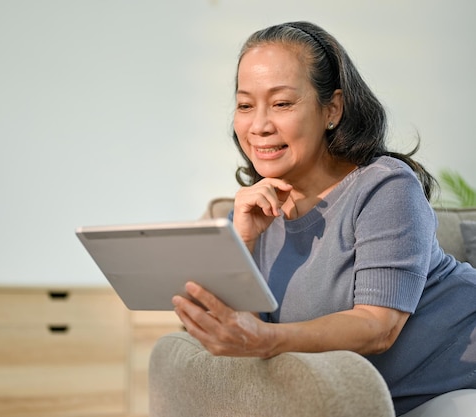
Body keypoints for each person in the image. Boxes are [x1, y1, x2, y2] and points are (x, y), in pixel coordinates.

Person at [171, 21, 476, 416]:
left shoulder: (384, 186)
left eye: (281, 103)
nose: (259, 125)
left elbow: (377, 326)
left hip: (457, 382)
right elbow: (239, 349)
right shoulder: (249, 214)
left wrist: (266, 339)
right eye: (245, 105)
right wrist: (242, 243)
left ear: (331, 109)